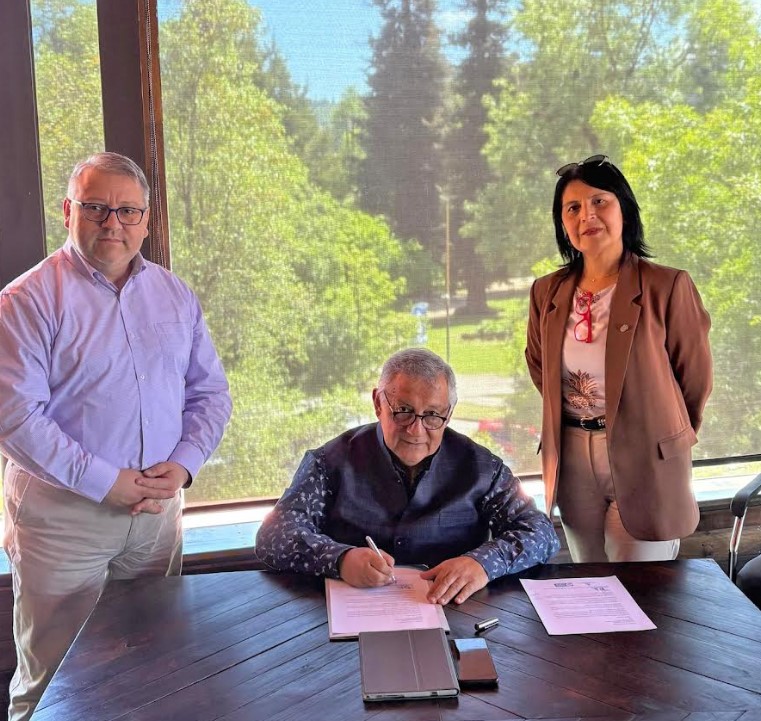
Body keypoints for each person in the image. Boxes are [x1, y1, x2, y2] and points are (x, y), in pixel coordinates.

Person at [0, 152, 232, 721]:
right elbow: (14, 418)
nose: (113, 223)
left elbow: (210, 394)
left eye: (128, 211)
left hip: (157, 516)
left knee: (151, 665)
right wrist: (107, 482)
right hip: (64, 521)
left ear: (147, 220)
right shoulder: (27, 300)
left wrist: (184, 464)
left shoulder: (175, 295)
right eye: (96, 208)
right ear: (67, 211)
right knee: (50, 683)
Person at [255, 348, 559, 605]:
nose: (416, 430)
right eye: (403, 411)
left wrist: (482, 563)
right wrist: (339, 559)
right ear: (378, 403)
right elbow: (274, 535)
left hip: (456, 611)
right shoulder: (328, 462)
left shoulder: (483, 468)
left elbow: (541, 532)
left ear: (449, 413)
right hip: (349, 614)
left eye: (432, 415)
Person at [526, 154, 712, 563]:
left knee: (643, 587)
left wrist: (665, 439)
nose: (586, 215)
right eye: (572, 208)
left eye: (599, 201)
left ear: (624, 208)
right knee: (590, 582)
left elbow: (694, 378)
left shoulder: (667, 285)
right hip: (572, 456)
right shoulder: (546, 291)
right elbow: (540, 367)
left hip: (645, 457)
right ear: (562, 223)